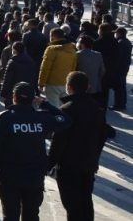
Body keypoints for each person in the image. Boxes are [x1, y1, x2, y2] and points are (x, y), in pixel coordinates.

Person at [0, 82, 71, 221]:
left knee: (10, 216)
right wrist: (44, 104)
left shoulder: (5, 118)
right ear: (33, 99)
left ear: (14, 97)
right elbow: (65, 120)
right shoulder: (41, 118)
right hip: (34, 176)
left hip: (9, 176)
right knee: (31, 215)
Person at [48, 71, 106, 221]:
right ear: (88, 87)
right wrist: (94, 159)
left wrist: (49, 163)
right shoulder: (97, 108)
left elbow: (58, 141)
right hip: (88, 164)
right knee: (86, 202)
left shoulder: (66, 110)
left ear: (68, 87)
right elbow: (101, 137)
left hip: (69, 166)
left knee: (72, 206)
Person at [37, 28, 77, 106]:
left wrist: (41, 83)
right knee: (64, 107)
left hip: (52, 83)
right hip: (66, 82)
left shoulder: (51, 49)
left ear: (52, 36)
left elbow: (45, 68)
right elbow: (73, 67)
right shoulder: (72, 49)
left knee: (53, 108)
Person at [1, 42, 37, 108]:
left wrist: (3, 92)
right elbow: (34, 77)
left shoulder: (12, 62)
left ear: (14, 50)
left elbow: (7, 79)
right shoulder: (31, 61)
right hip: (27, 90)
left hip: (13, 90)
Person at [75, 35, 106, 105]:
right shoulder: (98, 54)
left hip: (80, 86)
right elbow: (102, 70)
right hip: (95, 86)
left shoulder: (77, 55)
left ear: (82, 44)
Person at [112, 27, 131, 111]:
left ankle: (118, 105)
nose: (115, 35)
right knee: (122, 86)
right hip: (125, 67)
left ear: (119, 34)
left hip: (119, 69)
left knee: (119, 87)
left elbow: (118, 57)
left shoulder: (120, 43)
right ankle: (122, 104)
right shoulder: (127, 42)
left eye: (116, 33)